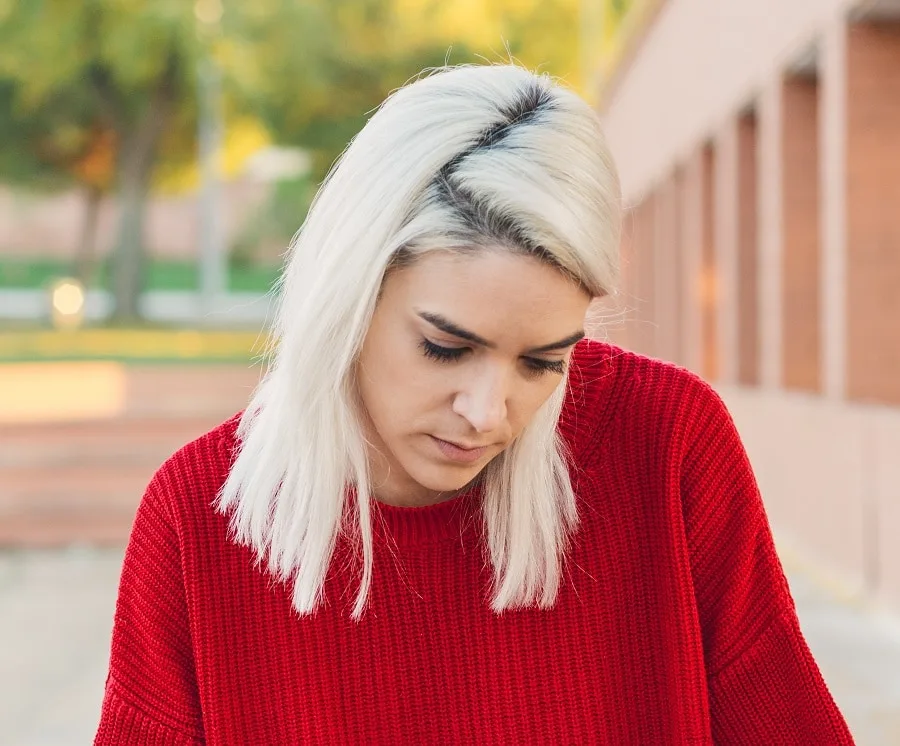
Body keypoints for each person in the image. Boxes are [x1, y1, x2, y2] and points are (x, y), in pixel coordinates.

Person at [94, 64, 853, 744]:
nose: (490, 411)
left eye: (543, 362)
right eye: (446, 347)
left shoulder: (667, 442)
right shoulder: (199, 520)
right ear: (349, 293)